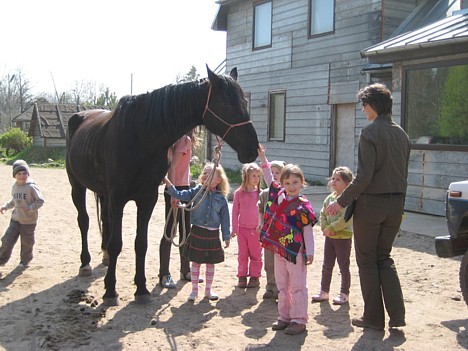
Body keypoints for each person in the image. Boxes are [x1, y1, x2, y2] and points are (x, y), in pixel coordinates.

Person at [326, 83, 410, 331]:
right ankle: (397, 315)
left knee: (366, 261)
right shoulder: (402, 134)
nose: (363, 109)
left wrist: (340, 202)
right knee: (384, 257)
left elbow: (364, 177)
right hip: (396, 205)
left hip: (372, 205)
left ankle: (373, 318)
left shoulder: (370, 133)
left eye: (364, 105)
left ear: (373, 105)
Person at [258, 145, 317, 335]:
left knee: (298, 286)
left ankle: (299, 320)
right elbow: (268, 178)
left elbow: (307, 230)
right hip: (279, 250)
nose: (291, 186)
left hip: (296, 252)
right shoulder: (279, 196)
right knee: (282, 285)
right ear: (282, 183)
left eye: (295, 182)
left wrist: (310, 252)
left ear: (302, 183)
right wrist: (263, 157)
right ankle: (285, 317)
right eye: (288, 182)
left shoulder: (303, 206)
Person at [162, 162, 230, 301]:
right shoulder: (196, 191)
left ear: (218, 179)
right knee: (196, 263)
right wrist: (167, 181)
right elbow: (180, 194)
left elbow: (225, 219)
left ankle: (208, 290)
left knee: (210, 263)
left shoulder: (221, 198)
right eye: (204, 172)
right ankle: (194, 291)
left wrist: (226, 236)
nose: (205, 174)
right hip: (197, 232)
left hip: (212, 234)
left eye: (210, 172)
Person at [159, 130, 200, 289]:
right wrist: (174, 194)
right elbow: (173, 167)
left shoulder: (176, 138)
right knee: (172, 231)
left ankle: (184, 270)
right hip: (179, 188)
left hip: (180, 187)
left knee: (184, 231)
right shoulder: (184, 139)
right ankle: (165, 273)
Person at [312, 166, 354, 305]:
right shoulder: (329, 198)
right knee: (327, 265)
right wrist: (325, 228)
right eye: (333, 178)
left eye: (338, 179)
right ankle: (324, 292)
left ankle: (344, 293)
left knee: (343, 266)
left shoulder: (348, 201)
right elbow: (323, 214)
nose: (334, 181)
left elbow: (346, 218)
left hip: (343, 238)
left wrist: (332, 228)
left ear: (347, 184)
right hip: (329, 237)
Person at [0, 160, 45, 268]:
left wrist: (30, 208)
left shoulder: (31, 187)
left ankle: (25, 260)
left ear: (28, 174)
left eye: (24, 173)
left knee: (27, 243)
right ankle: (1, 260)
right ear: (14, 175)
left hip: (29, 221)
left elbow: (40, 200)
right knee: (7, 240)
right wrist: (6, 206)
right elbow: (14, 201)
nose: (22, 176)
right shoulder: (15, 186)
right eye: (19, 174)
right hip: (15, 219)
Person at [231, 163, 262, 289]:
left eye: (258, 176)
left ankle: (255, 277)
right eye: (253, 176)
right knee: (242, 254)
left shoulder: (260, 194)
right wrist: (234, 228)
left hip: (256, 230)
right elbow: (234, 212)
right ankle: (242, 276)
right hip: (242, 229)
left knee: (256, 254)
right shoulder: (239, 193)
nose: (256, 178)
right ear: (246, 176)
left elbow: (264, 212)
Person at [257, 160, 285, 299]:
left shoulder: (286, 192)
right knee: (269, 262)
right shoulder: (265, 194)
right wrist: (260, 223)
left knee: (281, 262)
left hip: (282, 234)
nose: (274, 175)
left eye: (277, 172)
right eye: (272, 172)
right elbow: (260, 209)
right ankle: (270, 286)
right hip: (268, 233)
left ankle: (281, 289)